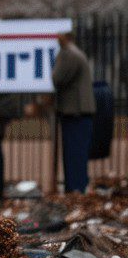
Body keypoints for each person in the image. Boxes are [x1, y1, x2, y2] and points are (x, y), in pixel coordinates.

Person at [52, 31, 95, 193]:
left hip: (75, 112)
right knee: (76, 155)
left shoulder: (69, 54)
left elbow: (57, 78)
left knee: (74, 156)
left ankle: (75, 191)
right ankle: (76, 188)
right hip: (77, 112)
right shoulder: (75, 53)